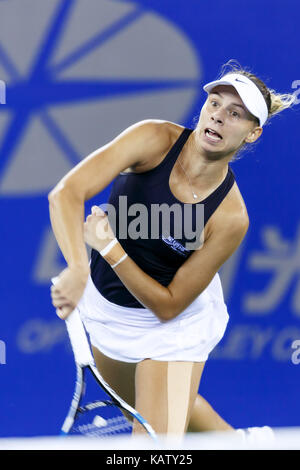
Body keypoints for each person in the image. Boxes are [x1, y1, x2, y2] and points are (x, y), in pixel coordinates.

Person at [49, 60, 295, 436]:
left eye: (235, 114)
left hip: (175, 326)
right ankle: (235, 444)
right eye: (215, 103)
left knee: (153, 446)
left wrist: (110, 248)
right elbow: (66, 193)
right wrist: (79, 269)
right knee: (143, 412)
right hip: (108, 308)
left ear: (252, 134)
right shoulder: (153, 138)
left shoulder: (230, 217)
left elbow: (168, 305)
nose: (218, 117)